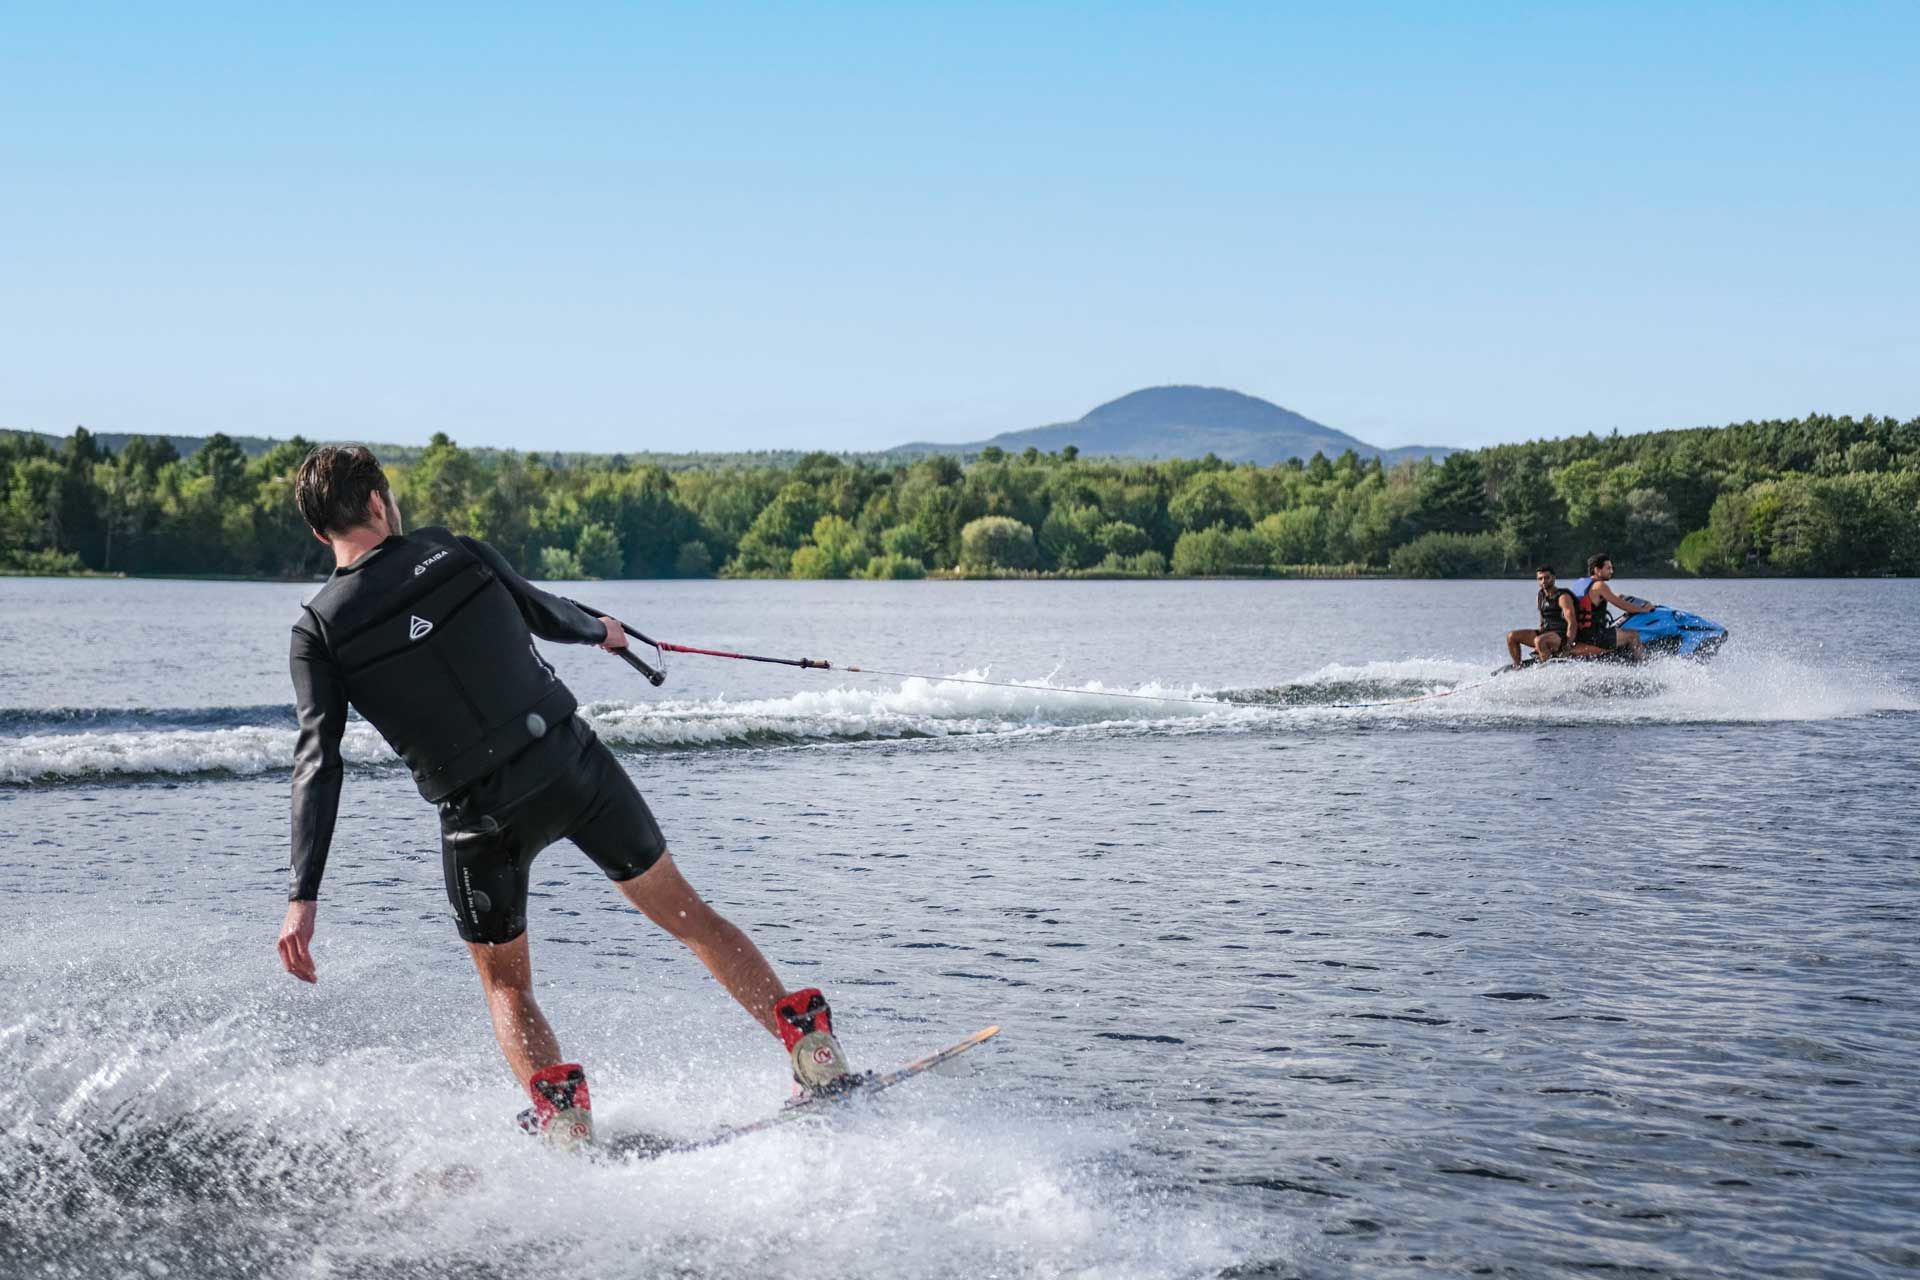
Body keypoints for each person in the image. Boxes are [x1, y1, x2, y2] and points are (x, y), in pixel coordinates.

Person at [276, 445, 852, 1149]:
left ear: (318, 532)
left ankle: (568, 1125)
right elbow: (544, 611)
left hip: (480, 821)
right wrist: (602, 630)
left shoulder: (319, 632)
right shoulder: (450, 550)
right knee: (693, 918)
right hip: (572, 767)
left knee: (508, 986)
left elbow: (317, 762)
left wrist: (303, 895)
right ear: (376, 503)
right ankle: (812, 1054)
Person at [1565, 551, 1652, 658]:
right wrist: (1643, 610)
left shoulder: (1581, 583)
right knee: (1633, 635)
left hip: (1581, 634)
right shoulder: (1600, 585)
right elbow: (1621, 605)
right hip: (1595, 636)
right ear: (1597, 570)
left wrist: (1628, 598)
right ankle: (1643, 665)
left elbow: (1614, 597)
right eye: (1608, 568)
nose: (1612, 571)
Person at [1505, 565, 1578, 668]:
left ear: (1553, 578)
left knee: (1539, 641)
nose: (1543, 581)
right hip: (1545, 633)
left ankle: (1547, 669)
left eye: (1547, 578)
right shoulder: (1540, 596)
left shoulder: (1563, 597)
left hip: (1560, 636)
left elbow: (1572, 623)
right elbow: (1542, 619)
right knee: (1511, 636)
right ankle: (1518, 667)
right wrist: (1538, 644)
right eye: (1540, 578)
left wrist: (1568, 645)